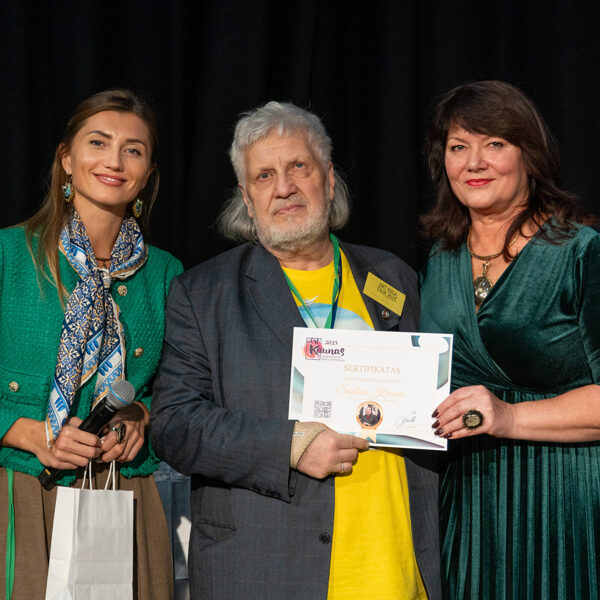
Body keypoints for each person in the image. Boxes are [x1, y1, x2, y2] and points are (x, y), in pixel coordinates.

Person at [151, 101, 441, 599]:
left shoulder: (392, 277)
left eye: (298, 167)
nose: (283, 187)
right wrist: (288, 446)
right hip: (268, 573)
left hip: (397, 570)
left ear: (328, 179)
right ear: (247, 197)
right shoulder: (203, 294)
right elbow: (174, 425)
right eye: (263, 176)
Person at [419, 80, 600, 599]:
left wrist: (510, 416)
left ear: (529, 156)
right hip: (470, 499)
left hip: (567, 501)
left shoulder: (581, 252)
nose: (474, 162)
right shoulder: (440, 257)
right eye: (459, 147)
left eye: (494, 144)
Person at [0, 89, 182, 598]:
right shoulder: (8, 255)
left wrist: (140, 417)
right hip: (19, 488)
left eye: (133, 150)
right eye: (98, 142)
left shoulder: (165, 274)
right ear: (66, 158)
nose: (114, 161)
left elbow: (182, 392)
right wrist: (24, 432)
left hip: (122, 494)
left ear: (148, 173)